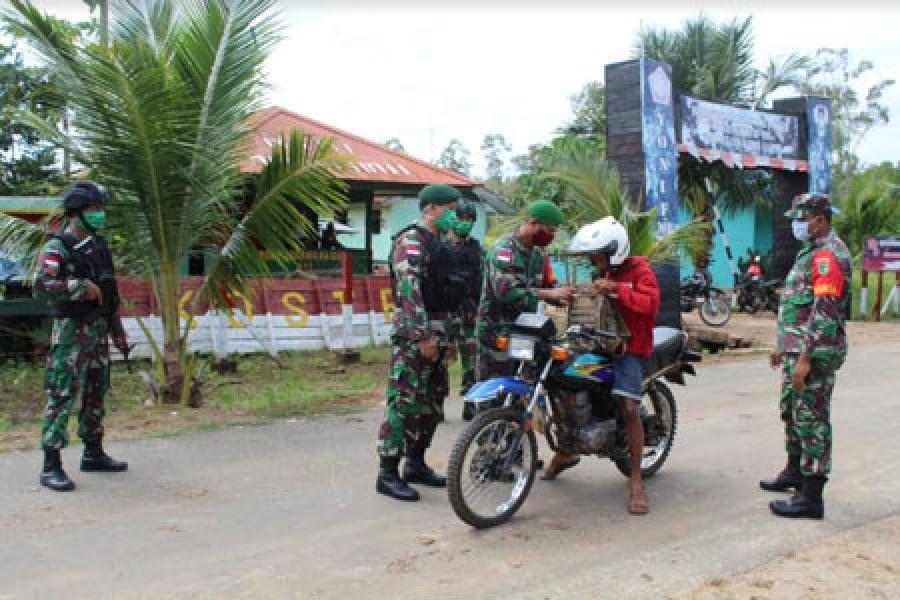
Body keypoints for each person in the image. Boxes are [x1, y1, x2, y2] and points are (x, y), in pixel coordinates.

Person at [544, 216, 660, 516]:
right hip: (596, 343)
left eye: (597, 254)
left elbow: (649, 305)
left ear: (614, 250)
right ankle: (567, 448)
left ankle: (635, 480)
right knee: (563, 381)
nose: (594, 261)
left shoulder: (641, 270)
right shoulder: (606, 271)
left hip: (629, 347)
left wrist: (617, 289)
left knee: (631, 408)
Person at [33, 181, 128, 492]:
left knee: (95, 392)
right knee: (62, 393)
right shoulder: (56, 247)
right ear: (76, 213)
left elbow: (109, 292)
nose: (99, 215)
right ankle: (51, 464)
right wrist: (78, 287)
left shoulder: (99, 246)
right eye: (93, 209)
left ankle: (93, 451)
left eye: (101, 209)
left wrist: (117, 330)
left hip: (98, 329)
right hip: (71, 332)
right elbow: (41, 286)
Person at [761, 193, 850, 520]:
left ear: (821, 219)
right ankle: (794, 473)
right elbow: (798, 305)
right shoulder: (811, 251)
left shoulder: (828, 256)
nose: (797, 225)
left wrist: (806, 358)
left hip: (814, 353)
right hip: (796, 350)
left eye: (803, 218)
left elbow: (824, 311)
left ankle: (811, 497)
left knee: (811, 420)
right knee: (791, 411)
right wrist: (783, 346)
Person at [376, 183, 463, 502]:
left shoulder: (438, 242)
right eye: (449, 209)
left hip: (440, 331)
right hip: (416, 336)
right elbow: (409, 291)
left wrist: (449, 339)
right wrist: (423, 335)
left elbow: (446, 294)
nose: (454, 215)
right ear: (431, 208)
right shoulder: (411, 240)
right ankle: (387, 472)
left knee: (433, 400)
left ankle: (415, 462)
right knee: (405, 399)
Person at [475, 200, 575, 382]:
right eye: (549, 230)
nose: (551, 236)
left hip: (524, 333)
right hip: (497, 332)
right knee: (494, 392)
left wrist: (559, 296)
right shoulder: (504, 249)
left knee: (520, 393)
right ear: (532, 222)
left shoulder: (537, 254)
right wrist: (547, 295)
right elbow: (506, 292)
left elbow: (541, 286)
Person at [445, 199, 483, 421]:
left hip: (469, 313)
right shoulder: (441, 246)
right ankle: (435, 405)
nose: (465, 223)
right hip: (446, 313)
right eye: (462, 218)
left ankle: (469, 403)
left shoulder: (476, 249)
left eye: (470, 220)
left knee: (471, 361)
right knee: (441, 361)